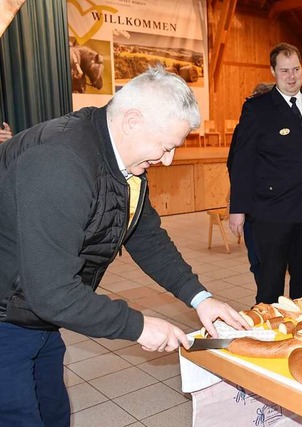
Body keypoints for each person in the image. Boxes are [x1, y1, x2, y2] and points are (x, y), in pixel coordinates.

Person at [0, 66, 250, 426]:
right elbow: (53, 292)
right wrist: (138, 326)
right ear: (132, 120)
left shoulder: (123, 163)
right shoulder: (59, 161)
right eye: (166, 147)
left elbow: (144, 233)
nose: (168, 160)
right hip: (7, 317)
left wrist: (199, 297)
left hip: (34, 316)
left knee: (52, 412)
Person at [228, 42, 302, 304]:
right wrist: (238, 208)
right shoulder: (258, 109)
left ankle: (301, 337)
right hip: (271, 212)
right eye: (285, 71)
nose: (292, 77)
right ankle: (268, 338)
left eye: (296, 70)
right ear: (273, 72)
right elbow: (241, 162)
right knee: (270, 285)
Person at [227, 82, 275, 285]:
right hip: (254, 206)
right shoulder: (244, 128)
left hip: (269, 207)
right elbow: (235, 165)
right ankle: (265, 301)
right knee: (258, 262)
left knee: (265, 262)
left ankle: (268, 301)